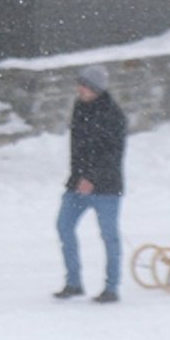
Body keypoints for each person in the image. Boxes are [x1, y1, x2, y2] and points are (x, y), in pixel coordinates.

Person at [54, 65, 126, 303]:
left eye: (85, 86)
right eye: (80, 84)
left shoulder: (113, 115)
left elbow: (111, 154)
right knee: (64, 226)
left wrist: (92, 179)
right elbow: (79, 149)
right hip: (77, 185)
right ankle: (73, 282)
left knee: (109, 237)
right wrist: (77, 178)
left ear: (96, 89)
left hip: (106, 188)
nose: (80, 89)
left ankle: (111, 287)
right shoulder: (79, 107)